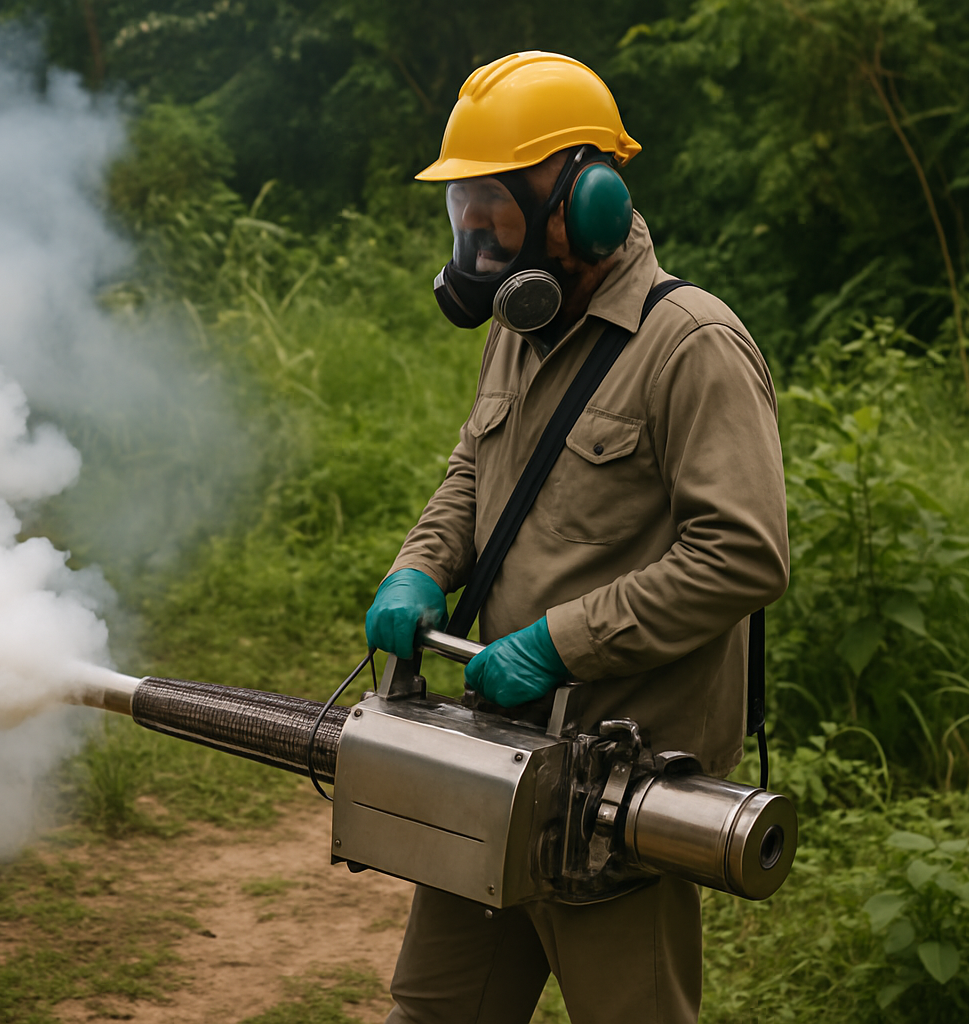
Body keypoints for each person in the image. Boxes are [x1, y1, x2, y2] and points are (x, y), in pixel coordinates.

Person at [363, 51, 790, 1024]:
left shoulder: (693, 347)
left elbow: (745, 553)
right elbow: (474, 473)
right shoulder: (520, 324)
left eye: (492, 206)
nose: (472, 234)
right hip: (489, 760)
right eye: (461, 206)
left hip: (616, 790)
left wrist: (559, 643)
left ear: (583, 202)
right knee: (431, 1012)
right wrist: (417, 569)